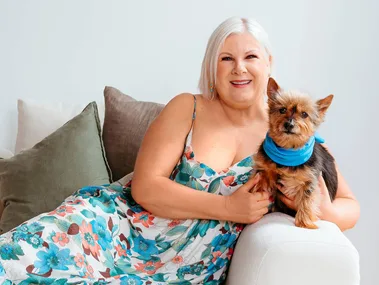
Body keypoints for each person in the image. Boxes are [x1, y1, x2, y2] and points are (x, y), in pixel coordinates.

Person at [0, 16, 359, 284]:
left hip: (184, 264)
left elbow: (350, 208)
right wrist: (229, 207)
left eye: (250, 56)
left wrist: (320, 208)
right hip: (116, 228)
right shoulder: (188, 106)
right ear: (212, 66)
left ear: (268, 63)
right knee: (19, 260)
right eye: (225, 58)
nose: (239, 69)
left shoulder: (290, 131)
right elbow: (145, 187)